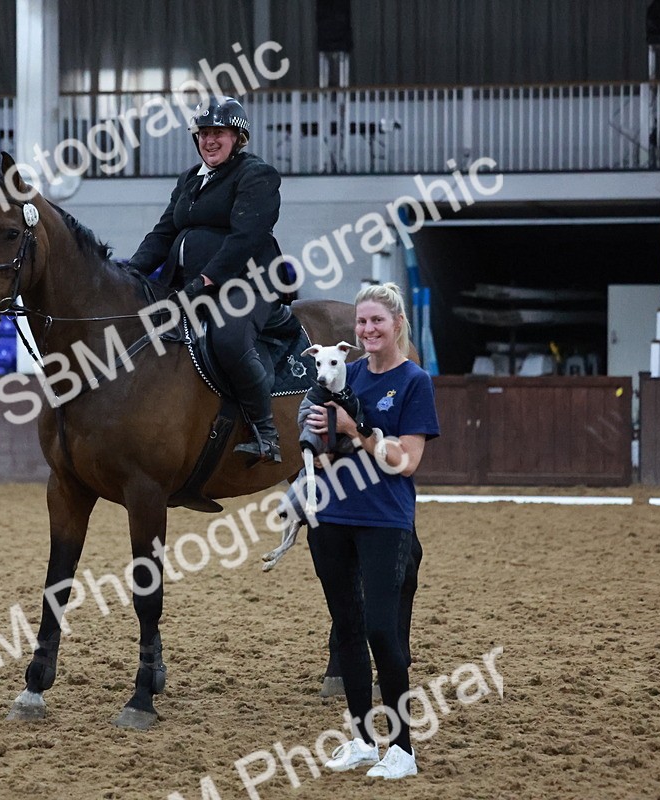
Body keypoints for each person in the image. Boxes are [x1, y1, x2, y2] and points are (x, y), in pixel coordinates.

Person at [304, 282, 439, 779]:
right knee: (349, 632)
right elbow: (319, 438)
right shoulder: (343, 375)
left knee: (383, 630)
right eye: (362, 322)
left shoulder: (414, 382)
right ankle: (362, 740)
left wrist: (354, 433)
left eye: (377, 321)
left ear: (397, 324)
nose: (367, 330)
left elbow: (406, 461)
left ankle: (401, 747)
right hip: (333, 519)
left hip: (386, 520)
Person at [126, 96, 286, 463]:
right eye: (203, 134)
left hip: (247, 283)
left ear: (238, 138)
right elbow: (163, 233)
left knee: (228, 339)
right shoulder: (188, 180)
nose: (209, 141)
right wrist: (131, 272)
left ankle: (266, 432)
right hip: (187, 284)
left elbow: (246, 237)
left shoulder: (256, 175)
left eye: (219, 133)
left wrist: (207, 279)